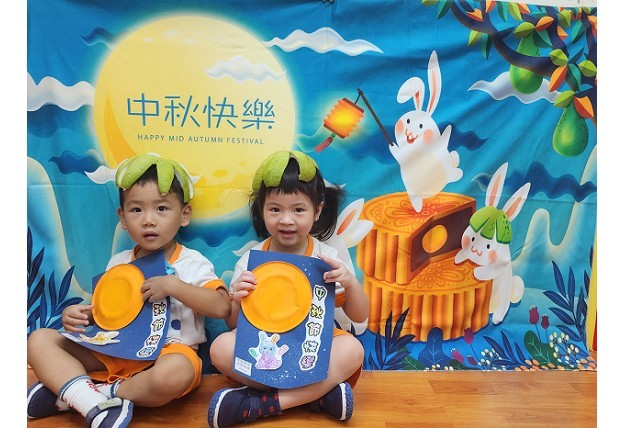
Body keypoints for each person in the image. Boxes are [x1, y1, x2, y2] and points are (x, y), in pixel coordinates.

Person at [26, 154, 231, 427]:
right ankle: (87, 396)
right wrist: (81, 316)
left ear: (184, 215)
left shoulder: (191, 262)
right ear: (122, 217)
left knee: (176, 373)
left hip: (167, 356)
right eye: (136, 210)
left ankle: (85, 396)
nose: (148, 220)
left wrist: (173, 286)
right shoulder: (119, 263)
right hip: (114, 352)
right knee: (39, 339)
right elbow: (103, 317)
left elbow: (222, 306)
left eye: (161, 208)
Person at [207, 150, 369, 427]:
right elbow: (234, 324)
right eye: (275, 209)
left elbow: (360, 315)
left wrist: (350, 284)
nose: (286, 220)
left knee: (352, 349)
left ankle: (262, 404)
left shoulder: (327, 257)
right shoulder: (251, 260)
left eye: (298, 210)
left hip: (313, 346)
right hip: (265, 345)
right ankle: (315, 397)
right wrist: (237, 300)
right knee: (220, 347)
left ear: (317, 211)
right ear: (262, 210)